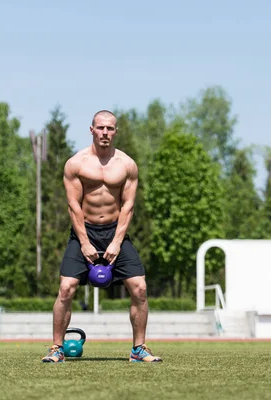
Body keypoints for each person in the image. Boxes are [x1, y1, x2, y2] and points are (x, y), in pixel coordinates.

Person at [42, 110, 162, 363]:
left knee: (139, 288)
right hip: (83, 232)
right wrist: (84, 242)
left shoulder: (127, 165)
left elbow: (128, 206)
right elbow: (73, 206)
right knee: (66, 288)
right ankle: (56, 348)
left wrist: (117, 241)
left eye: (110, 128)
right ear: (92, 130)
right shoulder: (76, 163)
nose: (105, 133)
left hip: (115, 231)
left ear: (116, 132)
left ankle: (138, 349)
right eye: (100, 128)